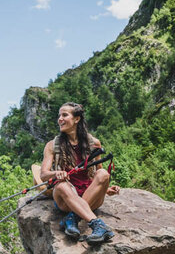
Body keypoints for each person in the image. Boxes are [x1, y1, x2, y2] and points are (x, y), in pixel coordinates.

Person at [40, 102, 118, 244]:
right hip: (66, 199)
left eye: (65, 115)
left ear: (77, 119)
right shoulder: (52, 145)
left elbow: (98, 173)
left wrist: (106, 189)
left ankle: (71, 218)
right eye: (59, 116)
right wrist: (57, 173)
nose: (60, 119)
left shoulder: (94, 143)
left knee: (103, 174)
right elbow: (43, 175)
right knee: (62, 185)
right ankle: (97, 225)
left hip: (90, 195)